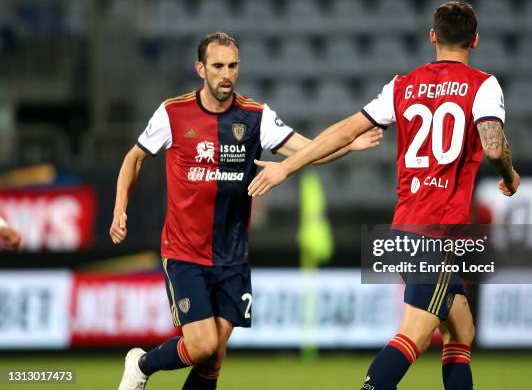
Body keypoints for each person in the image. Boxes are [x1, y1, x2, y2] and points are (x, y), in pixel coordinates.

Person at [248, 2, 520, 390]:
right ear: (474, 40)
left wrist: (287, 166)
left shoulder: (402, 86)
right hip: (438, 232)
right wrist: (510, 177)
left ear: (432, 37)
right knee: (414, 334)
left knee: (461, 331)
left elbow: (344, 131)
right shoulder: (483, 85)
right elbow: (494, 148)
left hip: (406, 228)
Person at [110, 32, 382, 390]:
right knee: (203, 344)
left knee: (213, 358)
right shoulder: (173, 113)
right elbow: (135, 157)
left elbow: (308, 151)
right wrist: (119, 209)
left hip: (233, 256)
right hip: (184, 252)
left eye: (233, 66)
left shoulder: (256, 117)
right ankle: (142, 364)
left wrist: (349, 144)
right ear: (200, 69)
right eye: (218, 66)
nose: (226, 74)